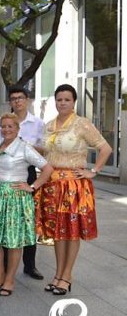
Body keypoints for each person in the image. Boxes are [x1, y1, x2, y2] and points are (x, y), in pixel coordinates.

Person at [35, 84, 112, 295]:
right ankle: (57, 274)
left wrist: (93, 171)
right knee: (58, 232)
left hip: (74, 186)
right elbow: (46, 151)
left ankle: (67, 276)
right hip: (52, 185)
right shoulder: (50, 125)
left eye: (67, 99)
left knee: (71, 231)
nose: (62, 103)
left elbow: (105, 148)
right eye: (59, 99)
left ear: (74, 102)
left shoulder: (82, 124)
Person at [0, 113, 53, 296]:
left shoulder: (24, 148)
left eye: (11, 126)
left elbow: (47, 168)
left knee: (13, 240)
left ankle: (10, 279)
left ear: (18, 129)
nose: (7, 129)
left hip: (15, 198)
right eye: (3, 126)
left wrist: (32, 186)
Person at [0, 86, 45, 280]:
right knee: (6, 221)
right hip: (7, 173)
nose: (17, 101)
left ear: (27, 100)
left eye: (20, 98)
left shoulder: (38, 123)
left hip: (28, 173)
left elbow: (45, 148)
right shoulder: (4, 122)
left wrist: (25, 149)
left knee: (27, 220)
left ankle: (30, 265)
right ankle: (5, 267)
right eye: (13, 98)